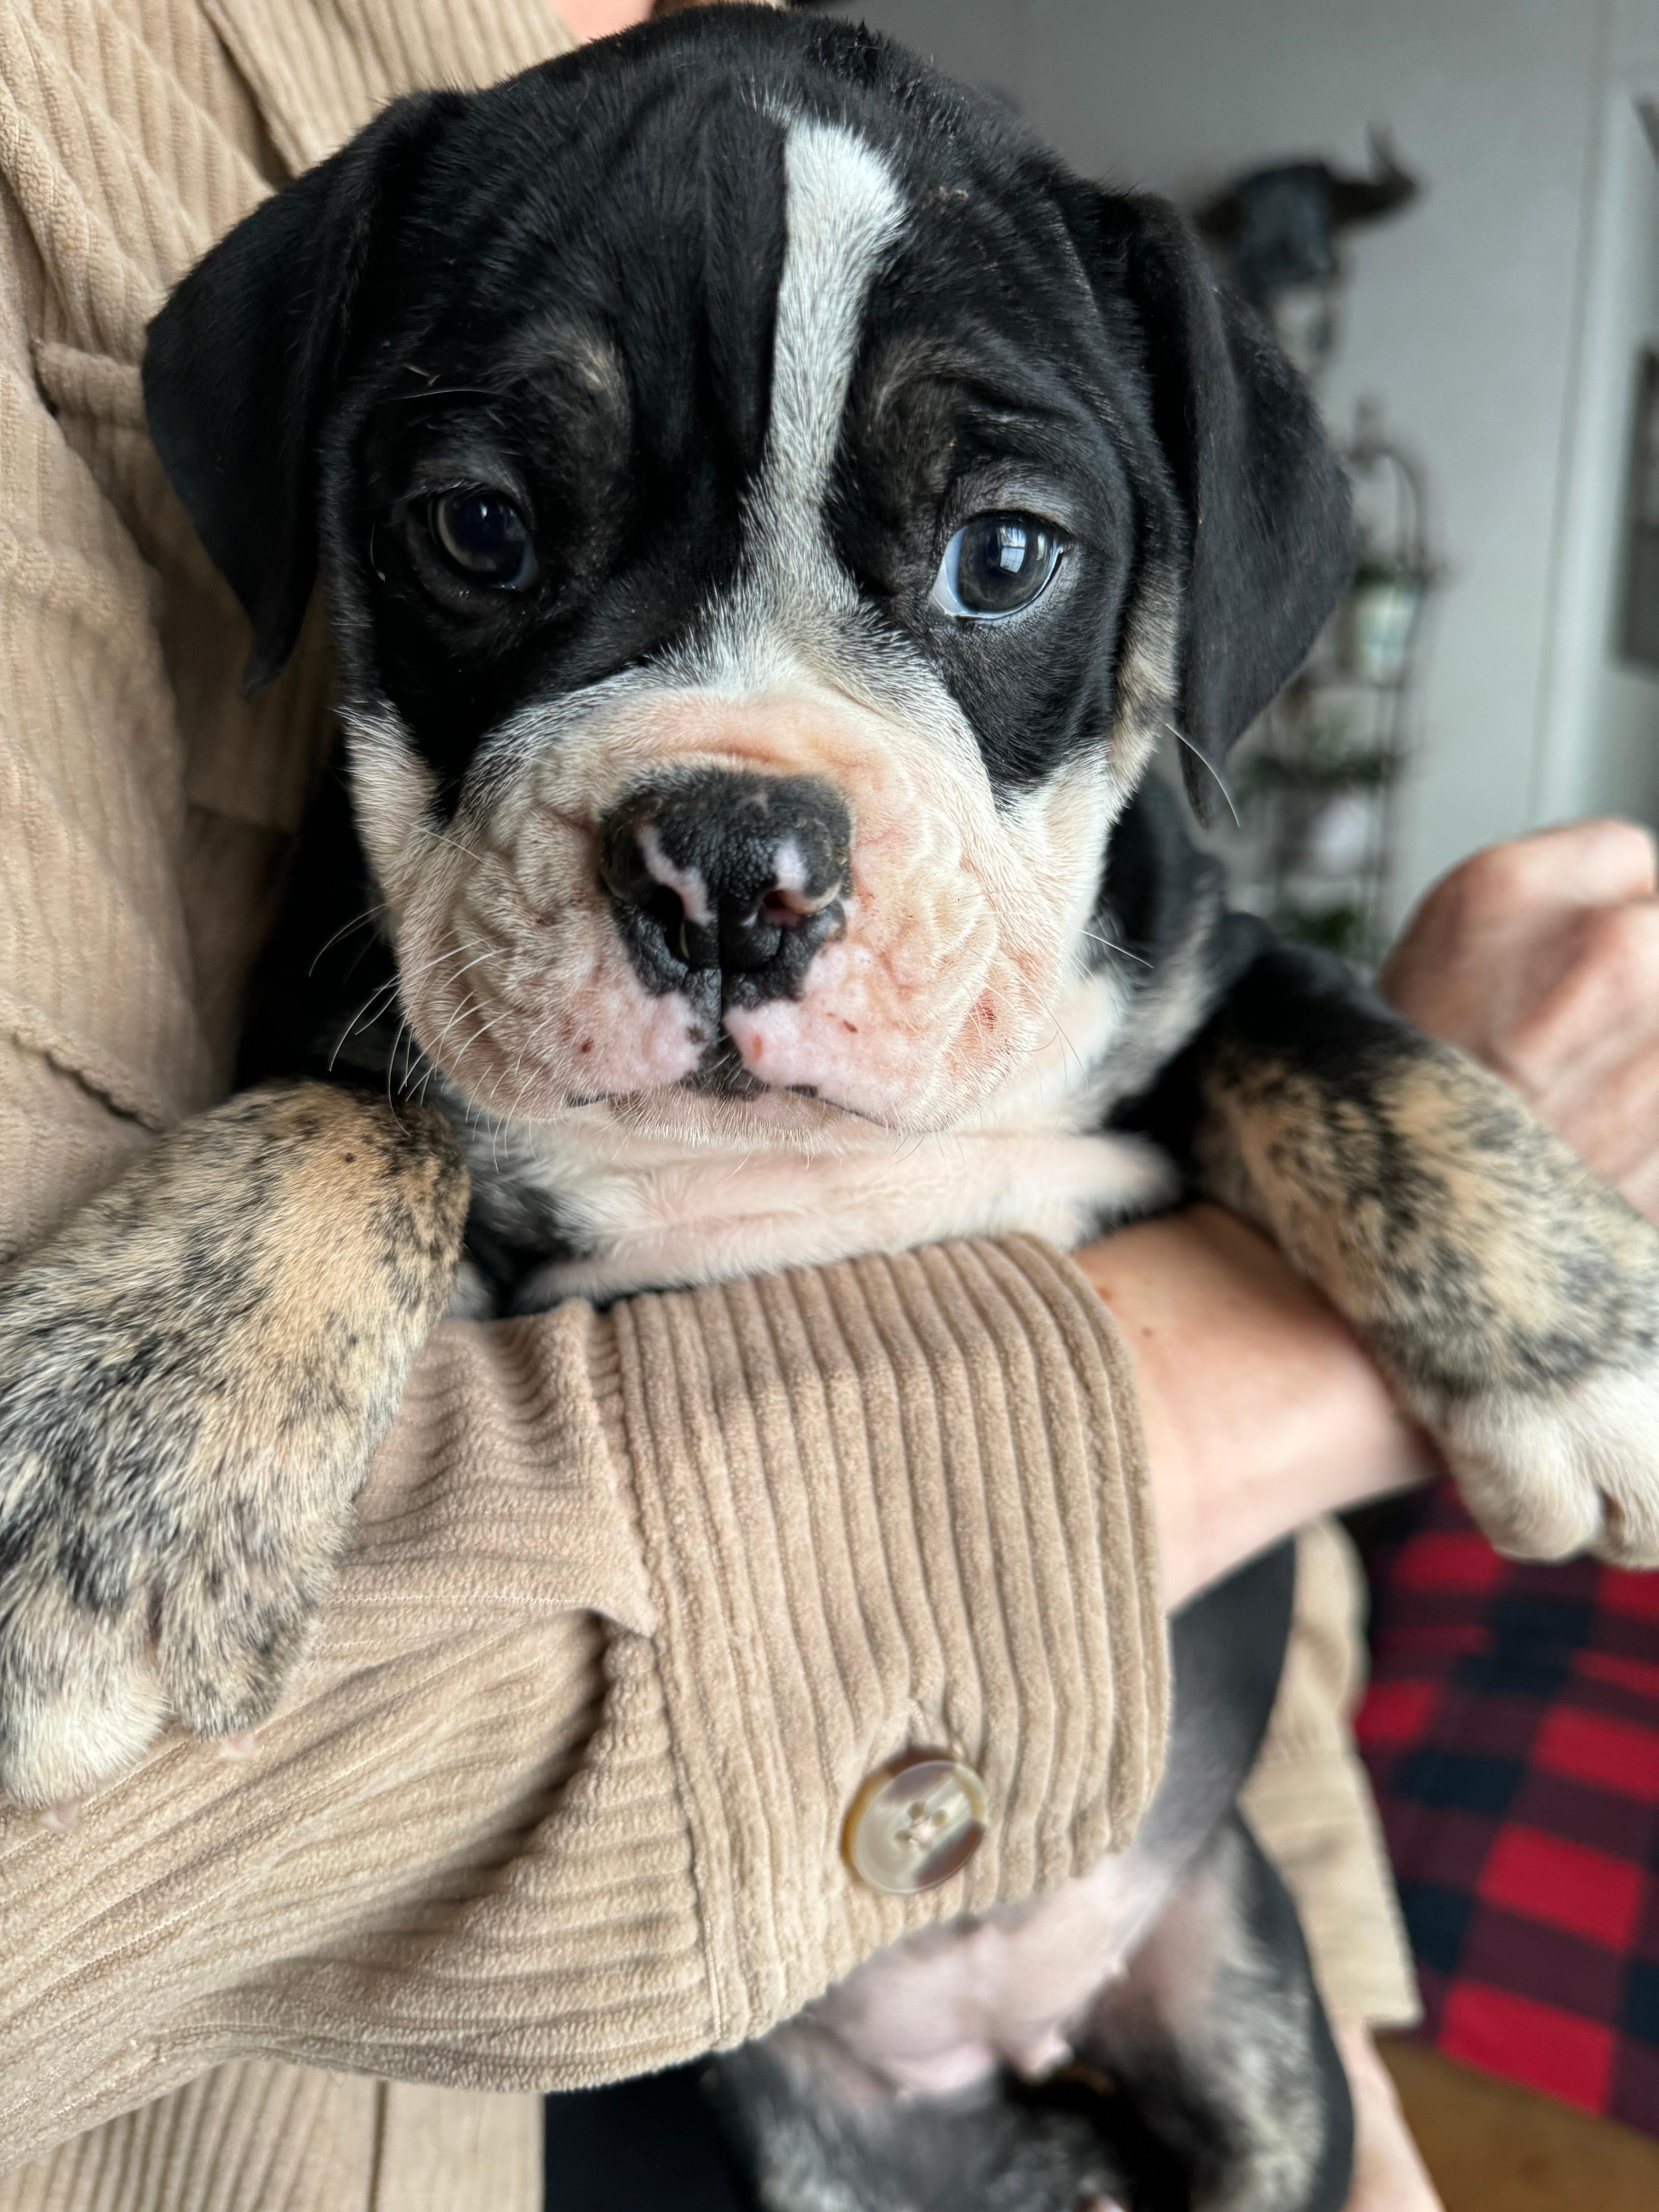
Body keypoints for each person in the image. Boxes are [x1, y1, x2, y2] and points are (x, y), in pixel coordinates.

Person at [0, 3, 1648, 2208]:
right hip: (648, 2029)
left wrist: (1464, 1204)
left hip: (1156, 1858)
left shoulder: (1115, 894)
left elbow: (1252, 1017)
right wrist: (289, 1219)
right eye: (492, 533)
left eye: (994, 562)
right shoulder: (245, 163)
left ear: (1190, 598)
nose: (737, 851)